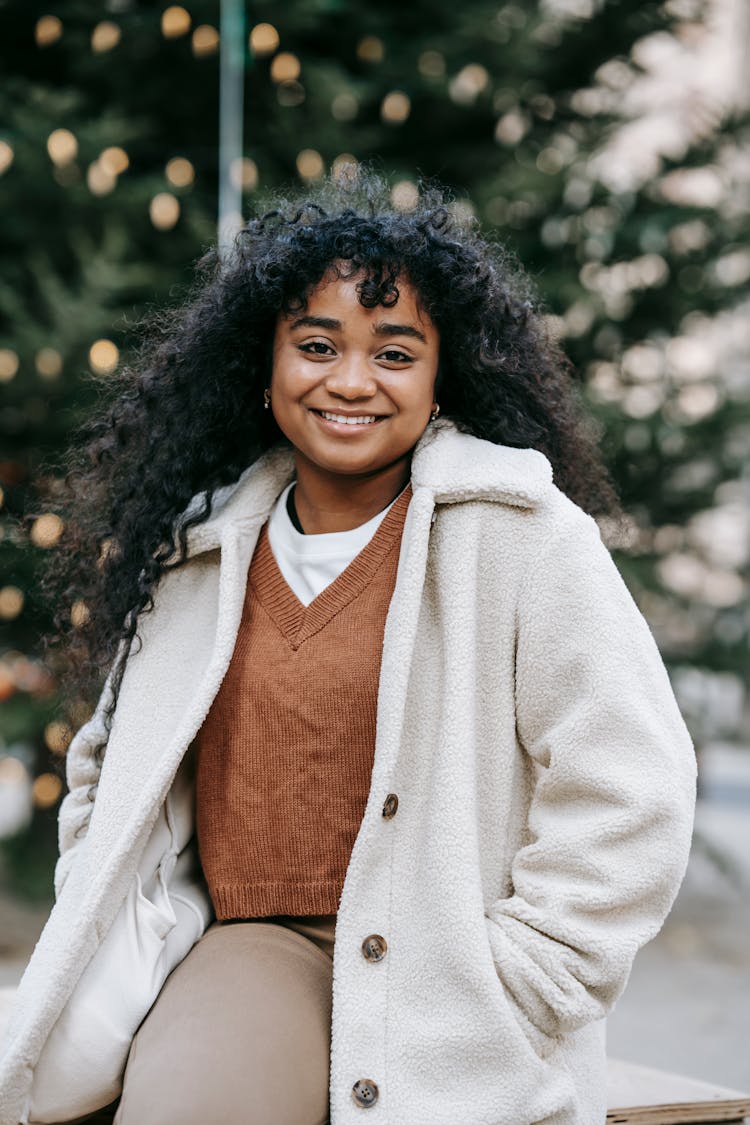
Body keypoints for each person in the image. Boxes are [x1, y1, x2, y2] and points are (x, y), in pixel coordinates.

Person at [0, 166, 696, 1125]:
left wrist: (529, 978)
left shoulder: (522, 535)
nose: (352, 381)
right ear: (268, 361)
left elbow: (634, 785)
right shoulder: (195, 552)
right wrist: (112, 914)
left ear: (445, 370)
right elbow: (106, 767)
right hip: (258, 948)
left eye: (395, 352)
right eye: (316, 344)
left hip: (453, 977)